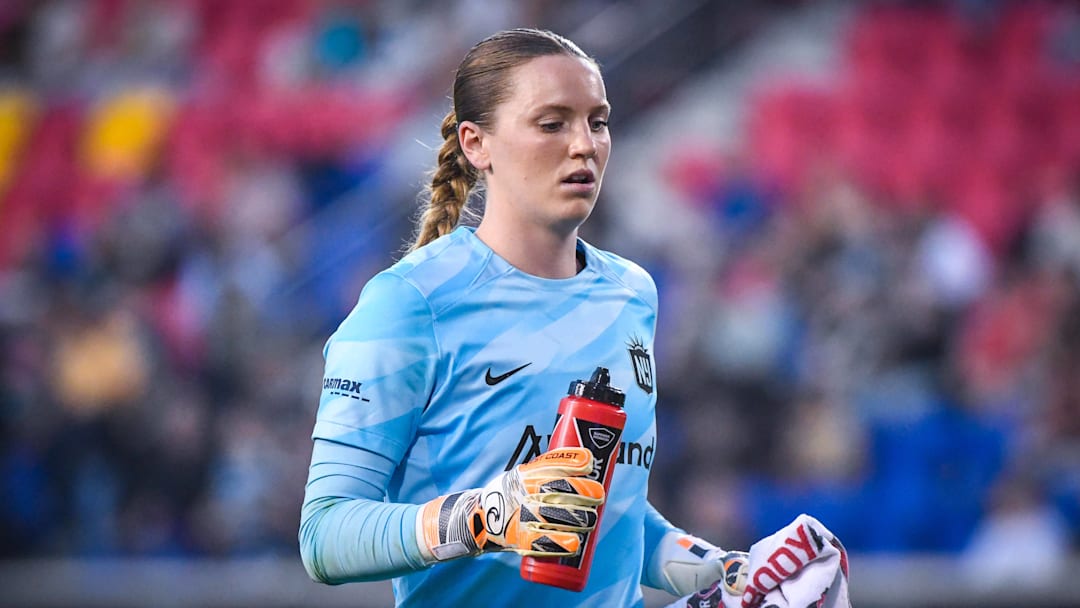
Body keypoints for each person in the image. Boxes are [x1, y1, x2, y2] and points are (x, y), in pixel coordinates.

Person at [298, 28, 848, 608]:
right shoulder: (408, 303)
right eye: (552, 123)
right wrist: (486, 516)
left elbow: (614, 517)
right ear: (476, 144)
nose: (584, 145)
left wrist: (726, 570)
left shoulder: (631, 294)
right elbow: (326, 535)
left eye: (598, 122)